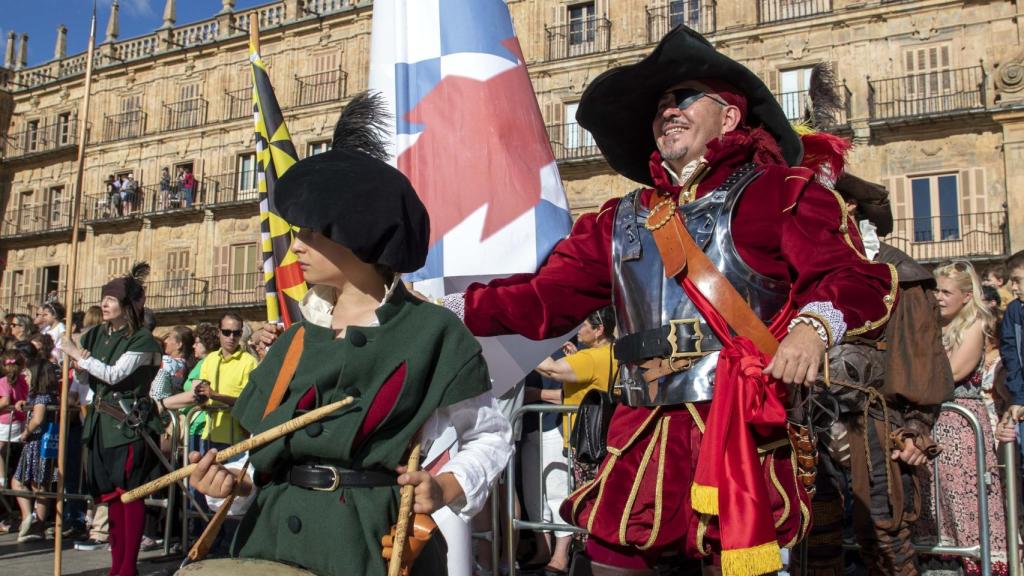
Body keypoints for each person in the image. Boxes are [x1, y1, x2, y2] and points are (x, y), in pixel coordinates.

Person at [433, 26, 897, 575]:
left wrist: (812, 327)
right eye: (660, 105)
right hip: (637, 430)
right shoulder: (618, 218)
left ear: (730, 117)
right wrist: (445, 310)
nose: (668, 111)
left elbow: (855, 277)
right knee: (610, 560)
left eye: (684, 98)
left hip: (736, 427)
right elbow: (542, 299)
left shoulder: (781, 192)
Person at [187, 92, 512, 576]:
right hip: (269, 543)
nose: (296, 246)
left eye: (313, 233)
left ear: (361, 235)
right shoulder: (296, 340)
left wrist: (445, 488)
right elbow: (264, 466)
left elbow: (490, 436)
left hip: (368, 547)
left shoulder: (432, 332)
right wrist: (234, 486)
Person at [61, 263, 163, 576]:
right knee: (110, 498)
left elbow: (115, 374)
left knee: (129, 495)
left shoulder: (143, 340)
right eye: (103, 298)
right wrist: (77, 364)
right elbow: (88, 377)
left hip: (129, 425)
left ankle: (127, 568)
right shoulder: (96, 335)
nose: (104, 303)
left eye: (112, 299)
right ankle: (115, 566)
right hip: (101, 424)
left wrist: (80, 357)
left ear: (129, 305)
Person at [916, 261, 1011, 575]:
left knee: (964, 508)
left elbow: (954, 371)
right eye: (936, 291)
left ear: (967, 296)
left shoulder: (975, 324)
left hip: (961, 428)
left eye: (946, 292)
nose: (939, 298)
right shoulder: (929, 324)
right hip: (930, 423)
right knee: (932, 505)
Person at [11, 343, 58, 542]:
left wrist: (24, 433)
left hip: (37, 441)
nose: (26, 377)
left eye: (28, 375)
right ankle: (35, 522)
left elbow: (38, 418)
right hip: (39, 442)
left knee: (25, 482)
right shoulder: (41, 396)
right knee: (38, 484)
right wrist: (23, 404)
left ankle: (31, 518)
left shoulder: (42, 396)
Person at [190, 313, 258, 450]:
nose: (231, 337)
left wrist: (215, 395)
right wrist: (199, 396)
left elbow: (248, 401)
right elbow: (202, 397)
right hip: (209, 434)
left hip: (236, 439)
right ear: (219, 333)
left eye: (236, 333)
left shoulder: (249, 362)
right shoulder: (210, 359)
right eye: (227, 333)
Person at [999, 250, 1024, 484]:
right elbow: (1011, 356)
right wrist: (1018, 397)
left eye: (1017, 280)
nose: (1013, 287)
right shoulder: (1015, 311)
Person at [0, 349, 28, 490]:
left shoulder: (4, 381)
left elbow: (5, 401)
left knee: (1, 450)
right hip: (21, 421)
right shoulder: (24, 380)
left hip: (6, 421)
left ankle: (2, 479)